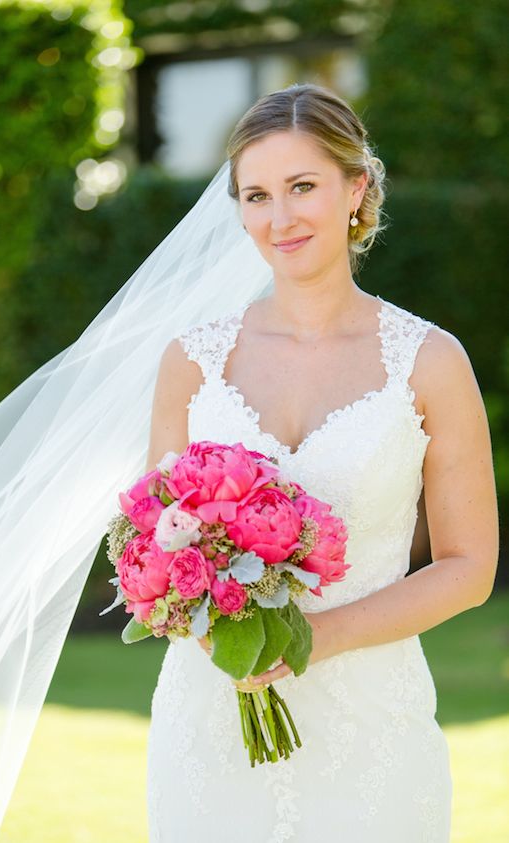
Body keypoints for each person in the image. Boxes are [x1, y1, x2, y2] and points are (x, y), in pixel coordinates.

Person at [143, 83, 499, 841]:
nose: (280, 218)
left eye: (302, 186)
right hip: (208, 719)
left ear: (356, 187)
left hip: (370, 723)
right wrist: (205, 620)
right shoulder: (192, 362)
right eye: (257, 194)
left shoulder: (430, 362)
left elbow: (469, 566)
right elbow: (156, 539)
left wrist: (318, 640)